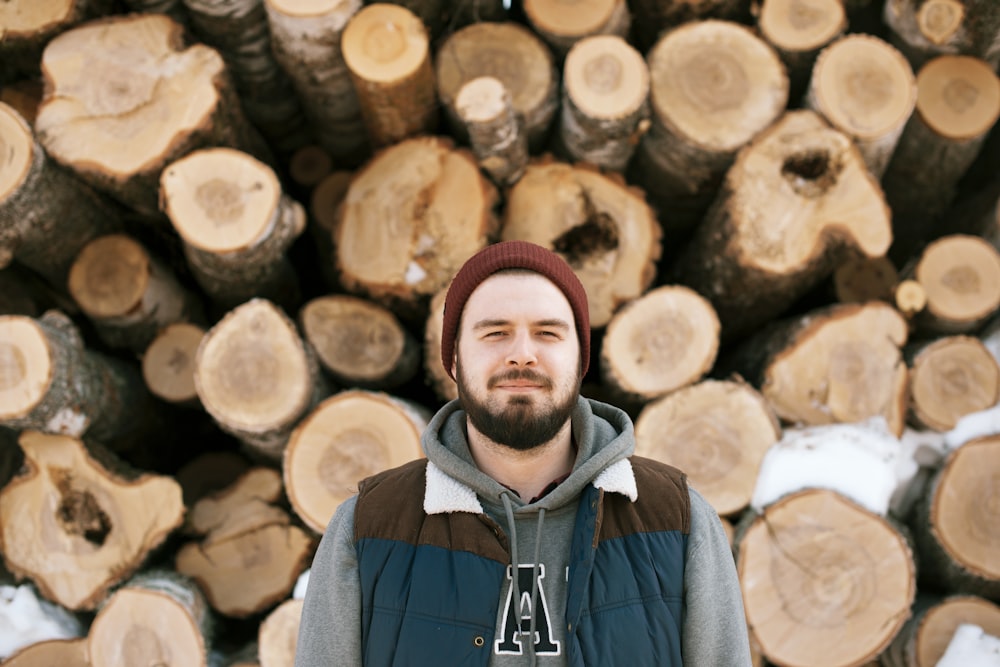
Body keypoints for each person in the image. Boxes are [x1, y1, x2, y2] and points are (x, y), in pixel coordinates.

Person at [296, 240, 752, 666]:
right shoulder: (369, 528)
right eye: (495, 333)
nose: (522, 354)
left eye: (547, 333)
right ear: (453, 360)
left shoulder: (675, 520)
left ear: (580, 360)